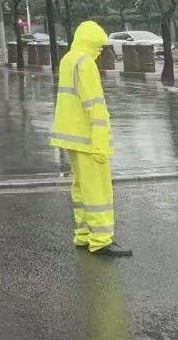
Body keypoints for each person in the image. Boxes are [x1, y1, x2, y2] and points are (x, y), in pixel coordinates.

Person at [50, 20, 131, 257]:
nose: (101, 51)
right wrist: (100, 144)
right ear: (93, 43)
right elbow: (94, 106)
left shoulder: (68, 60)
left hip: (71, 138)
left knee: (80, 189)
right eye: (100, 46)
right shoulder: (85, 64)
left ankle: (83, 234)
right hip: (89, 140)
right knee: (98, 191)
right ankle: (101, 240)